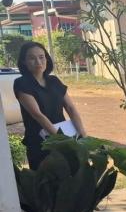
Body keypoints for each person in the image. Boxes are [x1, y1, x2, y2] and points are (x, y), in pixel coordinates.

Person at [13, 41, 88, 169]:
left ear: (46, 59)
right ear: (24, 62)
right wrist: (61, 140)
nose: (38, 62)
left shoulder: (54, 81)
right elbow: (37, 115)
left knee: (75, 174)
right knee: (47, 179)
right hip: (41, 143)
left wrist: (82, 135)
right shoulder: (21, 83)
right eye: (32, 58)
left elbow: (70, 108)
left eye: (41, 57)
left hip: (65, 135)